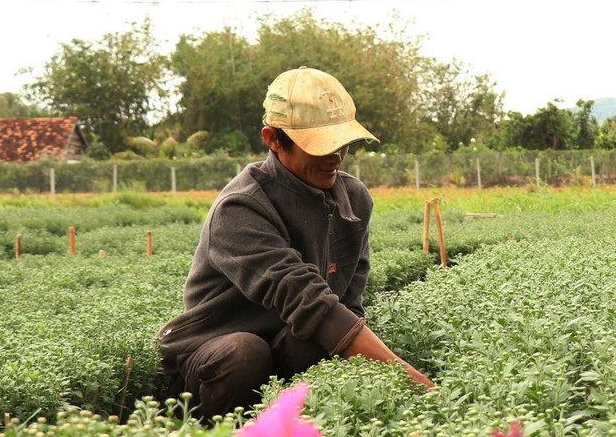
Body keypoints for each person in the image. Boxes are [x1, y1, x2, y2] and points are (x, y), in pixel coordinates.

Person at [156, 66, 434, 418]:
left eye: (341, 142)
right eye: (320, 145)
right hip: (217, 350)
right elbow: (307, 300)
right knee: (246, 353)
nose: (336, 156)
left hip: (287, 339)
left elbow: (348, 306)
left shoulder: (354, 199)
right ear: (273, 138)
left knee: (317, 346)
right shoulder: (241, 207)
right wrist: (415, 382)